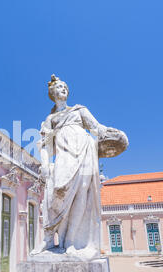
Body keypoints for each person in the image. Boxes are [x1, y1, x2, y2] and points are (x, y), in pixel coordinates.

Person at [31, 75, 112, 260]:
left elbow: (97, 128)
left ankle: (71, 242)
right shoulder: (50, 118)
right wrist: (44, 165)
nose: (64, 89)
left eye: (65, 87)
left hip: (84, 149)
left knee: (81, 193)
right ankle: (49, 238)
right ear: (53, 93)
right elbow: (45, 144)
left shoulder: (80, 110)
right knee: (57, 193)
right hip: (64, 155)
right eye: (60, 87)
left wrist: (112, 135)